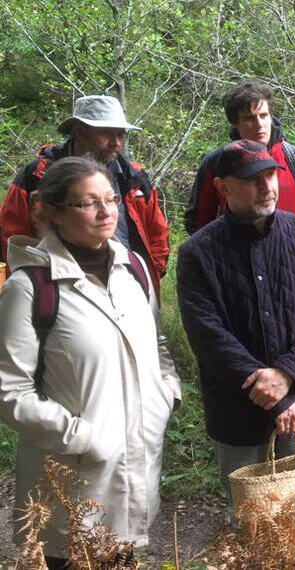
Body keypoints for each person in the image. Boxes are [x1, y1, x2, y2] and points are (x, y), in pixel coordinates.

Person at [0, 157, 180, 568]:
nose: (106, 211)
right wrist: (82, 437)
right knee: (75, 555)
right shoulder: (30, 288)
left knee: (123, 555)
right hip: (72, 475)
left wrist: (165, 396)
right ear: (53, 212)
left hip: (136, 464)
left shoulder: (134, 269)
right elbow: (9, 390)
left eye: (111, 199)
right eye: (88, 203)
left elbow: (157, 344)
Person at [175, 141, 295, 564]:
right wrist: (271, 391)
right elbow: (207, 335)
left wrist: (286, 376)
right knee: (252, 526)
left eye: (271, 175)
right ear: (222, 187)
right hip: (239, 411)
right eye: (252, 180)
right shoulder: (197, 253)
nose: (267, 186)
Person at [0, 95, 170, 295]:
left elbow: (157, 236)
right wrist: (35, 289)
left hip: (127, 287)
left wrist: (145, 277)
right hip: (59, 290)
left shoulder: (133, 177)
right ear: (80, 131)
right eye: (107, 133)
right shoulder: (38, 176)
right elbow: (10, 237)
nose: (116, 143)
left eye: (120, 134)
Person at [185, 80, 295, 234]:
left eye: (264, 115)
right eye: (250, 118)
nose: (260, 124)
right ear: (235, 123)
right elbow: (198, 223)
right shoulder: (217, 163)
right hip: (233, 247)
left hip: (291, 247)